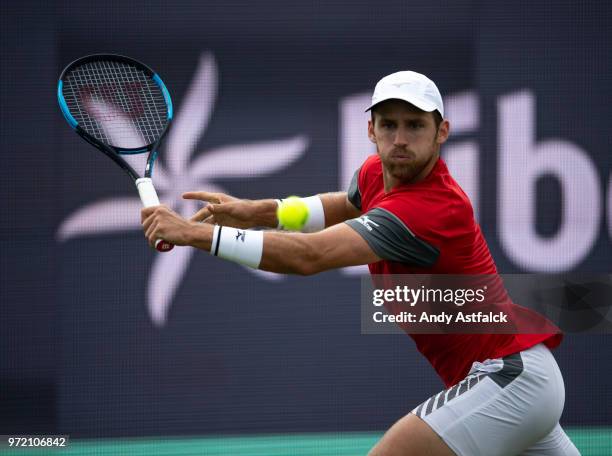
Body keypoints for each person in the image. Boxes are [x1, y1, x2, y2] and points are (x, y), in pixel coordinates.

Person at [141, 71, 580, 455]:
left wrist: (192, 234)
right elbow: (337, 205)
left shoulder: (428, 209)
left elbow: (309, 256)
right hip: (519, 384)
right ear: (371, 129)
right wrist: (256, 210)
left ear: (442, 131)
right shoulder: (375, 173)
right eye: (389, 125)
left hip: (510, 379)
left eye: (415, 126)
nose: (401, 139)